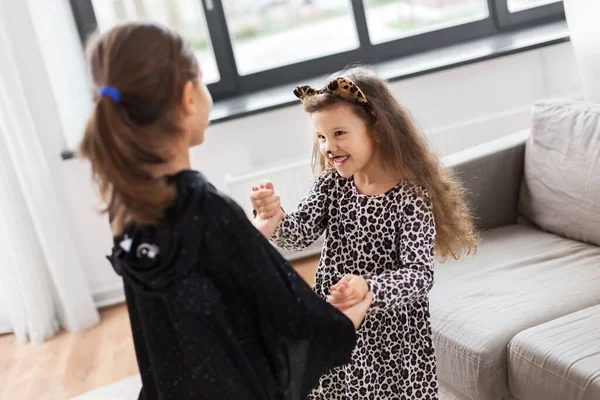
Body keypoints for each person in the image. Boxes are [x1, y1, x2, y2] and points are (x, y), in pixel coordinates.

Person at [79, 22, 372, 400]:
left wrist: (249, 236)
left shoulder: (126, 205)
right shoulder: (207, 208)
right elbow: (293, 318)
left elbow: (191, 284)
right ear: (188, 97)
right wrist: (343, 322)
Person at [251, 68, 478, 399]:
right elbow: (296, 234)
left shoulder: (410, 197)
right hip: (338, 323)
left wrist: (368, 288)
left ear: (377, 129)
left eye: (339, 133)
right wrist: (272, 214)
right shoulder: (333, 185)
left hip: (393, 339)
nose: (329, 147)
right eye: (321, 137)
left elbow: (419, 275)